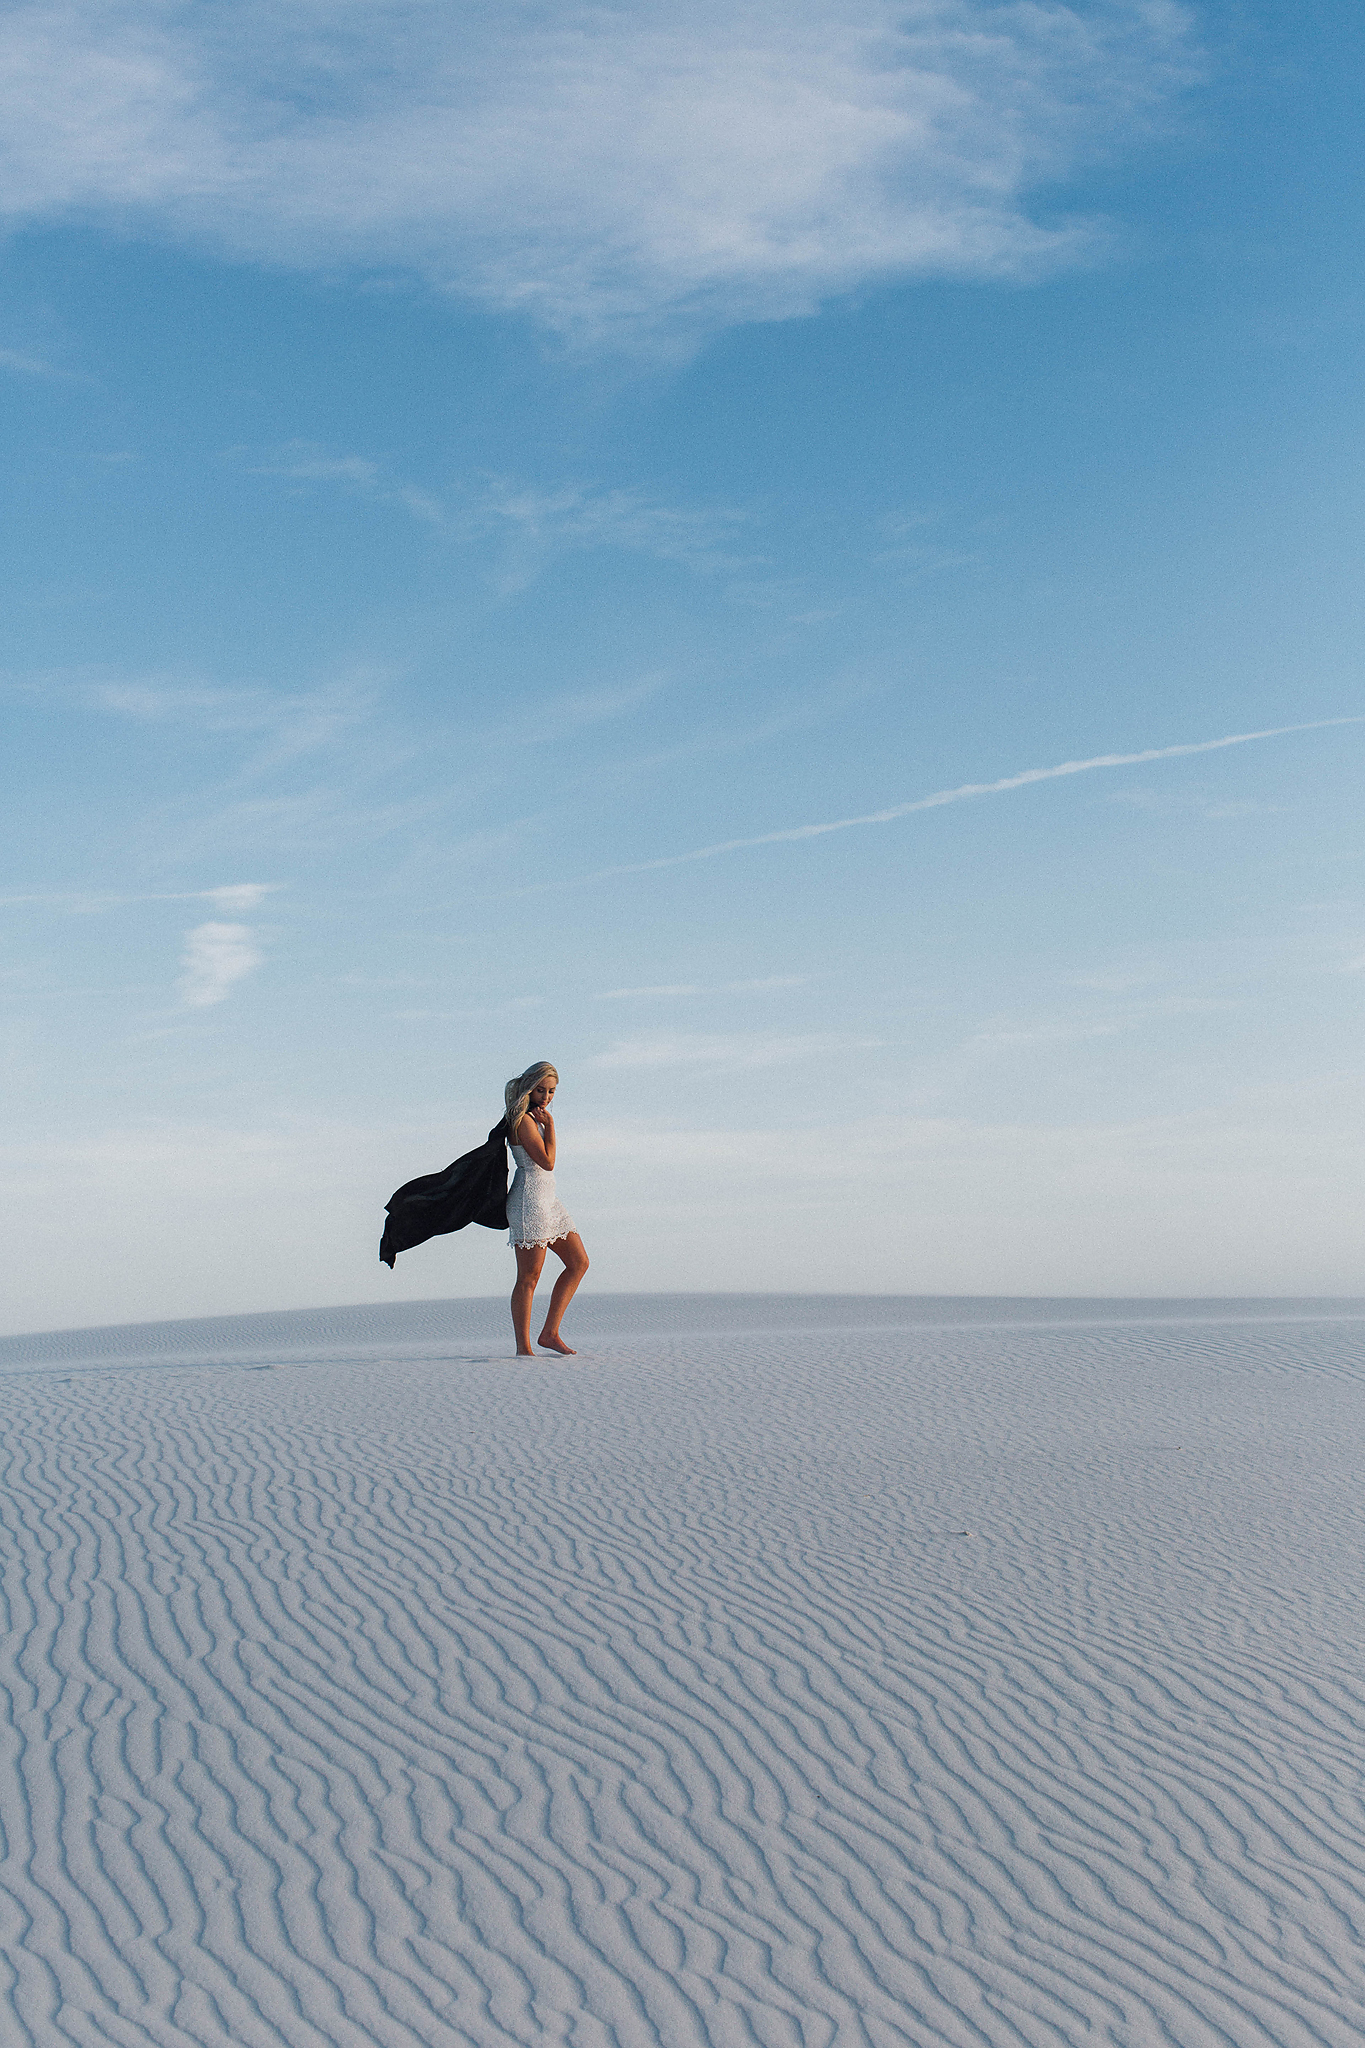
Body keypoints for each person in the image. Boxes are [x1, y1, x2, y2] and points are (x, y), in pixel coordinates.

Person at [504, 1061, 589, 1357]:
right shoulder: (525, 1120)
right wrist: (551, 1127)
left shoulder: (535, 1118)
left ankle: (550, 1333)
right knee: (529, 1277)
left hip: (548, 1201)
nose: (546, 1096)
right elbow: (547, 1161)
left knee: (579, 1263)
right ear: (529, 1087)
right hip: (529, 1201)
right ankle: (523, 1348)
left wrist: (548, 1124)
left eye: (551, 1091)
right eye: (541, 1090)